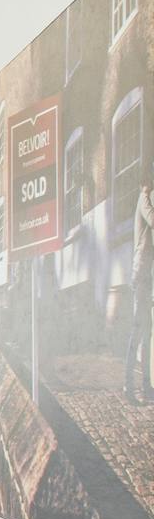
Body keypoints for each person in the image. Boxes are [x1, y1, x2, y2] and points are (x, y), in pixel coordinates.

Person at [124, 165, 154, 401]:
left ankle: (146, 386)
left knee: (147, 330)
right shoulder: (144, 197)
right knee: (138, 330)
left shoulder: (146, 197)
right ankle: (129, 385)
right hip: (141, 272)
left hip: (145, 273)